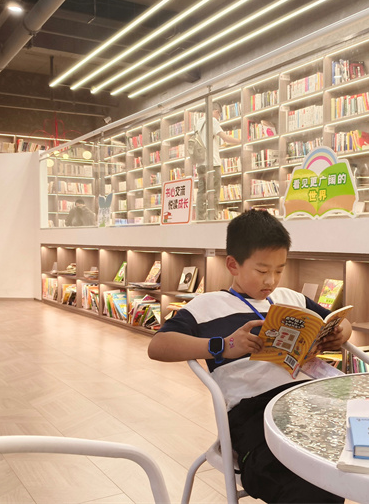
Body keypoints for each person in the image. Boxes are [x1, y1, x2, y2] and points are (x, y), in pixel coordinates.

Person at [148, 209, 350, 503]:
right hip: (254, 412)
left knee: (354, 456)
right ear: (233, 265)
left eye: (279, 270)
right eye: (262, 270)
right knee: (310, 481)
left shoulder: (292, 299)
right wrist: (223, 345)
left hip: (308, 399)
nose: (272, 280)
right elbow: (158, 346)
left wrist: (340, 333)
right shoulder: (207, 306)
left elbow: (340, 320)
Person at [189, 102, 240, 221]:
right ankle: (213, 218)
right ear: (217, 112)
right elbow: (225, 138)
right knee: (214, 192)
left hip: (201, 164)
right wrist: (240, 141)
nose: (219, 117)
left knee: (201, 192)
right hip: (213, 164)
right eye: (219, 115)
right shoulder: (213, 121)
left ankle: (200, 218)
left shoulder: (199, 122)